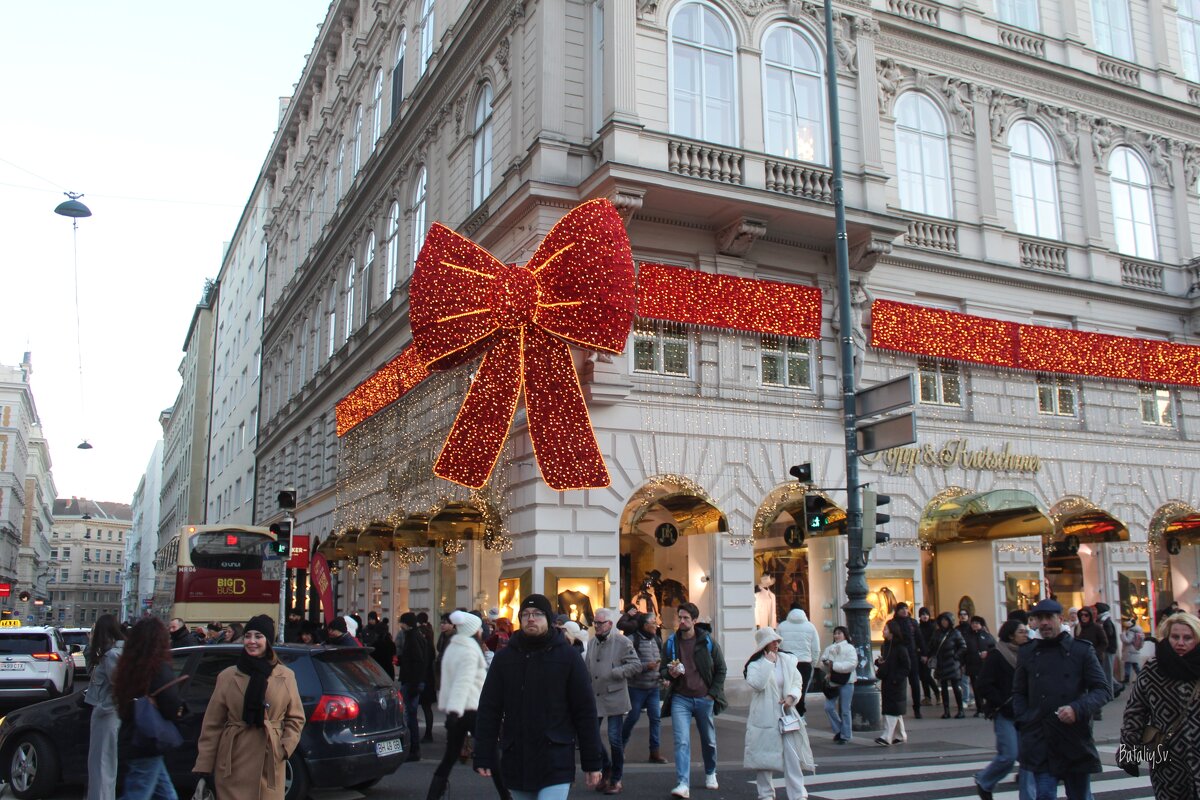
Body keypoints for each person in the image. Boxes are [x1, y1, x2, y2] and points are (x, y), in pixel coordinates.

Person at [474, 593, 603, 799]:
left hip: (555, 757)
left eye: (537, 614)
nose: (530, 618)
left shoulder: (568, 657)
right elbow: (489, 709)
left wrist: (592, 762)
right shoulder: (504, 659)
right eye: (525, 614)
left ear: (549, 620)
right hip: (517, 756)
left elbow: (585, 712)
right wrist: (483, 753)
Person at [193, 615, 305, 800]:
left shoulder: (286, 676)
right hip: (233, 760)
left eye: (258, 636)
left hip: (269, 759)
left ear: (268, 641)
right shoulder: (228, 676)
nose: (252, 641)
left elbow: (296, 718)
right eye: (248, 636)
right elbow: (212, 725)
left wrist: (284, 748)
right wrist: (204, 768)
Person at [1013, 598, 1109, 800]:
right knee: (1045, 794)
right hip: (1040, 736)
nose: (1044, 623)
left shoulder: (1080, 650)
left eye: (1049, 617)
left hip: (1073, 736)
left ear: (1060, 619)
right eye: (1039, 618)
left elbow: (1102, 689)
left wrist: (1077, 708)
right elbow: (1019, 691)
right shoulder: (1028, 651)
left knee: (1079, 795)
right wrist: (1025, 718)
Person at [1118, 612, 1200, 800]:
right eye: (1175, 637)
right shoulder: (1154, 669)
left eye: (1187, 638)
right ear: (1167, 637)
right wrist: (1128, 752)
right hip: (1164, 757)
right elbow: (1135, 712)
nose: (1180, 642)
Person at [112, 618, 185, 800]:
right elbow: (170, 704)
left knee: (166, 795)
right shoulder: (158, 668)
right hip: (148, 739)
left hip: (135, 736)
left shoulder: (128, 667)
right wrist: (180, 709)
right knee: (138, 793)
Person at [661, 602, 728, 798]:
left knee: (708, 740)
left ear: (694, 621)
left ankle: (710, 772)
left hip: (703, 697)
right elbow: (663, 669)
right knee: (681, 741)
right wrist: (669, 673)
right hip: (680, 698)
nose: (681, 621)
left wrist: (712, 694)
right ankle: (683, 783)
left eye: (686, 618)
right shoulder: (671, 643)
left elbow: (721, 669)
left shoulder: (707, 642)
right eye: (679, 617)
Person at [743, 627, 813, 800]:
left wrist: (792, 697)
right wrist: (767, 663)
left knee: (792, 756)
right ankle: (765, 794)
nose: (776, 644)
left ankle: (798, 794)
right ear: (764, 644)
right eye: (772, 641)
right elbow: (757, 684)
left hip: (786, 713)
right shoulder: (755, 664)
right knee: (764, 757)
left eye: (777, 641)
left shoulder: (787, 660)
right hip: (764, 715)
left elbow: (797, 681)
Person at [426, 610, 489, 800]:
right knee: (491, 755)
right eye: (479, 628)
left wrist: (452, 712)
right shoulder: (470, 649)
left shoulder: (454, 646)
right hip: (470, 708)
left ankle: (433, 795)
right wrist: (455, 711)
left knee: (449, 757)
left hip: (458, 709)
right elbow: (463, 681)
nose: (482, 631)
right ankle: (506, 795)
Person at [586, 608, 642, 795]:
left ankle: (616, 779)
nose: (596, 626)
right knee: (591, 737)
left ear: (610, 624)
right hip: (596, 696)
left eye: (600, 623)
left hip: (614, 696)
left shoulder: (622, 641)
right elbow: (588, 668)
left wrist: (617, 672)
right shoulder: (593, 642)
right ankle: (606, 766)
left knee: (614, 739)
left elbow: (636, 665)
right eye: (595, 622)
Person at [974, 618, 1028, 800]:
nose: (1025, 634)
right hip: (1004, 712)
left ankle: (1029, 793)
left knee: (1028, 756)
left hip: (1024, 713)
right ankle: (984, 781)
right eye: (1021, 632)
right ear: (1011, 635)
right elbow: (983, 683)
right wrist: (1000, 702)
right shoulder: (997, 654)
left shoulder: (1026, 654)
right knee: (1009, 754)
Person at [84, 614, 125, 800]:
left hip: (106, 713)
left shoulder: (112, 655)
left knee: (101, 764)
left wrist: (106, 707)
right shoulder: (110, 654)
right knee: (100, 763)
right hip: (105, 712)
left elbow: (120, 686)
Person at [622, 612, 667, 764]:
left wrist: (663, 676)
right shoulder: (632, 640)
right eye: (653, 623)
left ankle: (654, 752)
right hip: (636, 688)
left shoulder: (657, 640)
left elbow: (661, 661)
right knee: (633, 717)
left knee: (656, 719)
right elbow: (626, 664)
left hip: (653, 687)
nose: (656, 625)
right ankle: (620, 747)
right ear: (644, 625)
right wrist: (645, 666)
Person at [775, 602, 820, 713]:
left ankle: (787, 713)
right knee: (801, 690)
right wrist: (813, 663)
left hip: (787, 662)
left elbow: (777, 646)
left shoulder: (782, 626)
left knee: (786, 689)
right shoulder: (810, 626)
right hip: (805, 662)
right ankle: (800, 714)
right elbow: (816, 648)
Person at [398, 611, 432, 759]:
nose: (400, 625)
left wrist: (414, 684)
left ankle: (413, 748)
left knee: (409, 715)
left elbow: (417, 662)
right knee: (410, 715)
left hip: (411, 682)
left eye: (402, 622)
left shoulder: (413, 638)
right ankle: (413, 747)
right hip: (413, 681)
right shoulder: (415, 636)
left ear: (407, 624)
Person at [875, 619, 911, 746]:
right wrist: (879, 663)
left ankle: (887, 736)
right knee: (895, 710)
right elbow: (886, 662)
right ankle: (900, 735)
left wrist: (896, 678)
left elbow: (906, 666)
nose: (883, 631)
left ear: (892, 631)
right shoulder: (885, 646)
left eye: (886, 629)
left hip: (896, 682)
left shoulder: (900, 647)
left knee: (891, 711)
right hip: (888, 681)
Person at [820, 626, 857, 744]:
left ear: (845, 635)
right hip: (833, 681)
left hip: (847, 681)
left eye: (839, 633)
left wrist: (834, 665)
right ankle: (840, 730)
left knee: (845, 709)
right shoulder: (829, 648)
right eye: (835, 633)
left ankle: (845, 735)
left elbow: (852, 664)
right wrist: (826, 665)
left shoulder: (850, 648)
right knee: (828, 707)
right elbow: (822, 663)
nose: (836, 635)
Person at [928, 612, 968, 718]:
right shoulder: (937, 633)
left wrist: (956, 656)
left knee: (956, 687)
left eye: (946, 620)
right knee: (943, 687)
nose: (944, 622)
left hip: (952, 663)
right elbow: (932, 646)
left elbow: (963, 646)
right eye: (942, 620)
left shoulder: (955, 633)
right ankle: (946, 711)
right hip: (941, 663)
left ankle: (960, 710)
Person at [1074, 607, 1109, 718]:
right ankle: (1086, 708)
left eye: (1086, 615)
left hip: (1095, 660)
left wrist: (1096, 653)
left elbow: (1104, 642)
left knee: (1096, 685)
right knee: (1083, 685)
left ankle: (1097, 711)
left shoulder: (1097, 627)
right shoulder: (1078, 627)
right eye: (1081, 615)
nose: (1084, 617)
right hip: (1080, 660)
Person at [891, 603, 924, 719]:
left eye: (906, 609)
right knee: (898, 682)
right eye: (902, 609)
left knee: (914, 682)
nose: (904, 611)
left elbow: (919, 638)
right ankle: (899, 707)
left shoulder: (913, 622)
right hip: (899, 657)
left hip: (912, 655)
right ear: (897, 611)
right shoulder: (892, 623)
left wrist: (924, 653)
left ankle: (917, 708)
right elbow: (890, 640)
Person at [963, 616, 996, 718]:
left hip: (985, 666)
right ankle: (979, 707)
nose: (974, 625)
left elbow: (994, 648)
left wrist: (987, 653)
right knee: (976, 687)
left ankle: (989, 706)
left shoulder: (987, 636)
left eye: (977, 623)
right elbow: (963, 650)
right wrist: (963, 664)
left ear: (981, 625)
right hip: (972, 665)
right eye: (973, 623)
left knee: (986, 686)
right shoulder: (967, 636)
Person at [1095, 602, 1119, 696]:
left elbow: (1109, 633)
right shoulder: (1105, 620)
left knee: (1107, 672)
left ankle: (1110, 693)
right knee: (1106, 671)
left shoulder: (1105, 621)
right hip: (1108, 649)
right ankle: (1116, 687)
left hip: (1108, 649)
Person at [916, 607, 939, 705]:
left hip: (929, 655)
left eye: (926, 614)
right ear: (919, 616)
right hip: (919, 655)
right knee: (922, 676)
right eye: (922, 614)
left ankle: (937, 693)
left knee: (926, 675)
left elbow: (932, 642)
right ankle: (927, 697)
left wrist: (926, 655)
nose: (925, 616)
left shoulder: (933, 627)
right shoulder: (918, 627)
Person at [1119, 618, 1146, 688]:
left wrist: (1123, 634)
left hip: (1130, 651)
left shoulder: (1131, 631)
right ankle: (1142, 678)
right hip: (1134, 650)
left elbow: (1128, 641)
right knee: (1135, 666)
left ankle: (1127, 680)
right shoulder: (1137, 630)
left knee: (1128, 665)